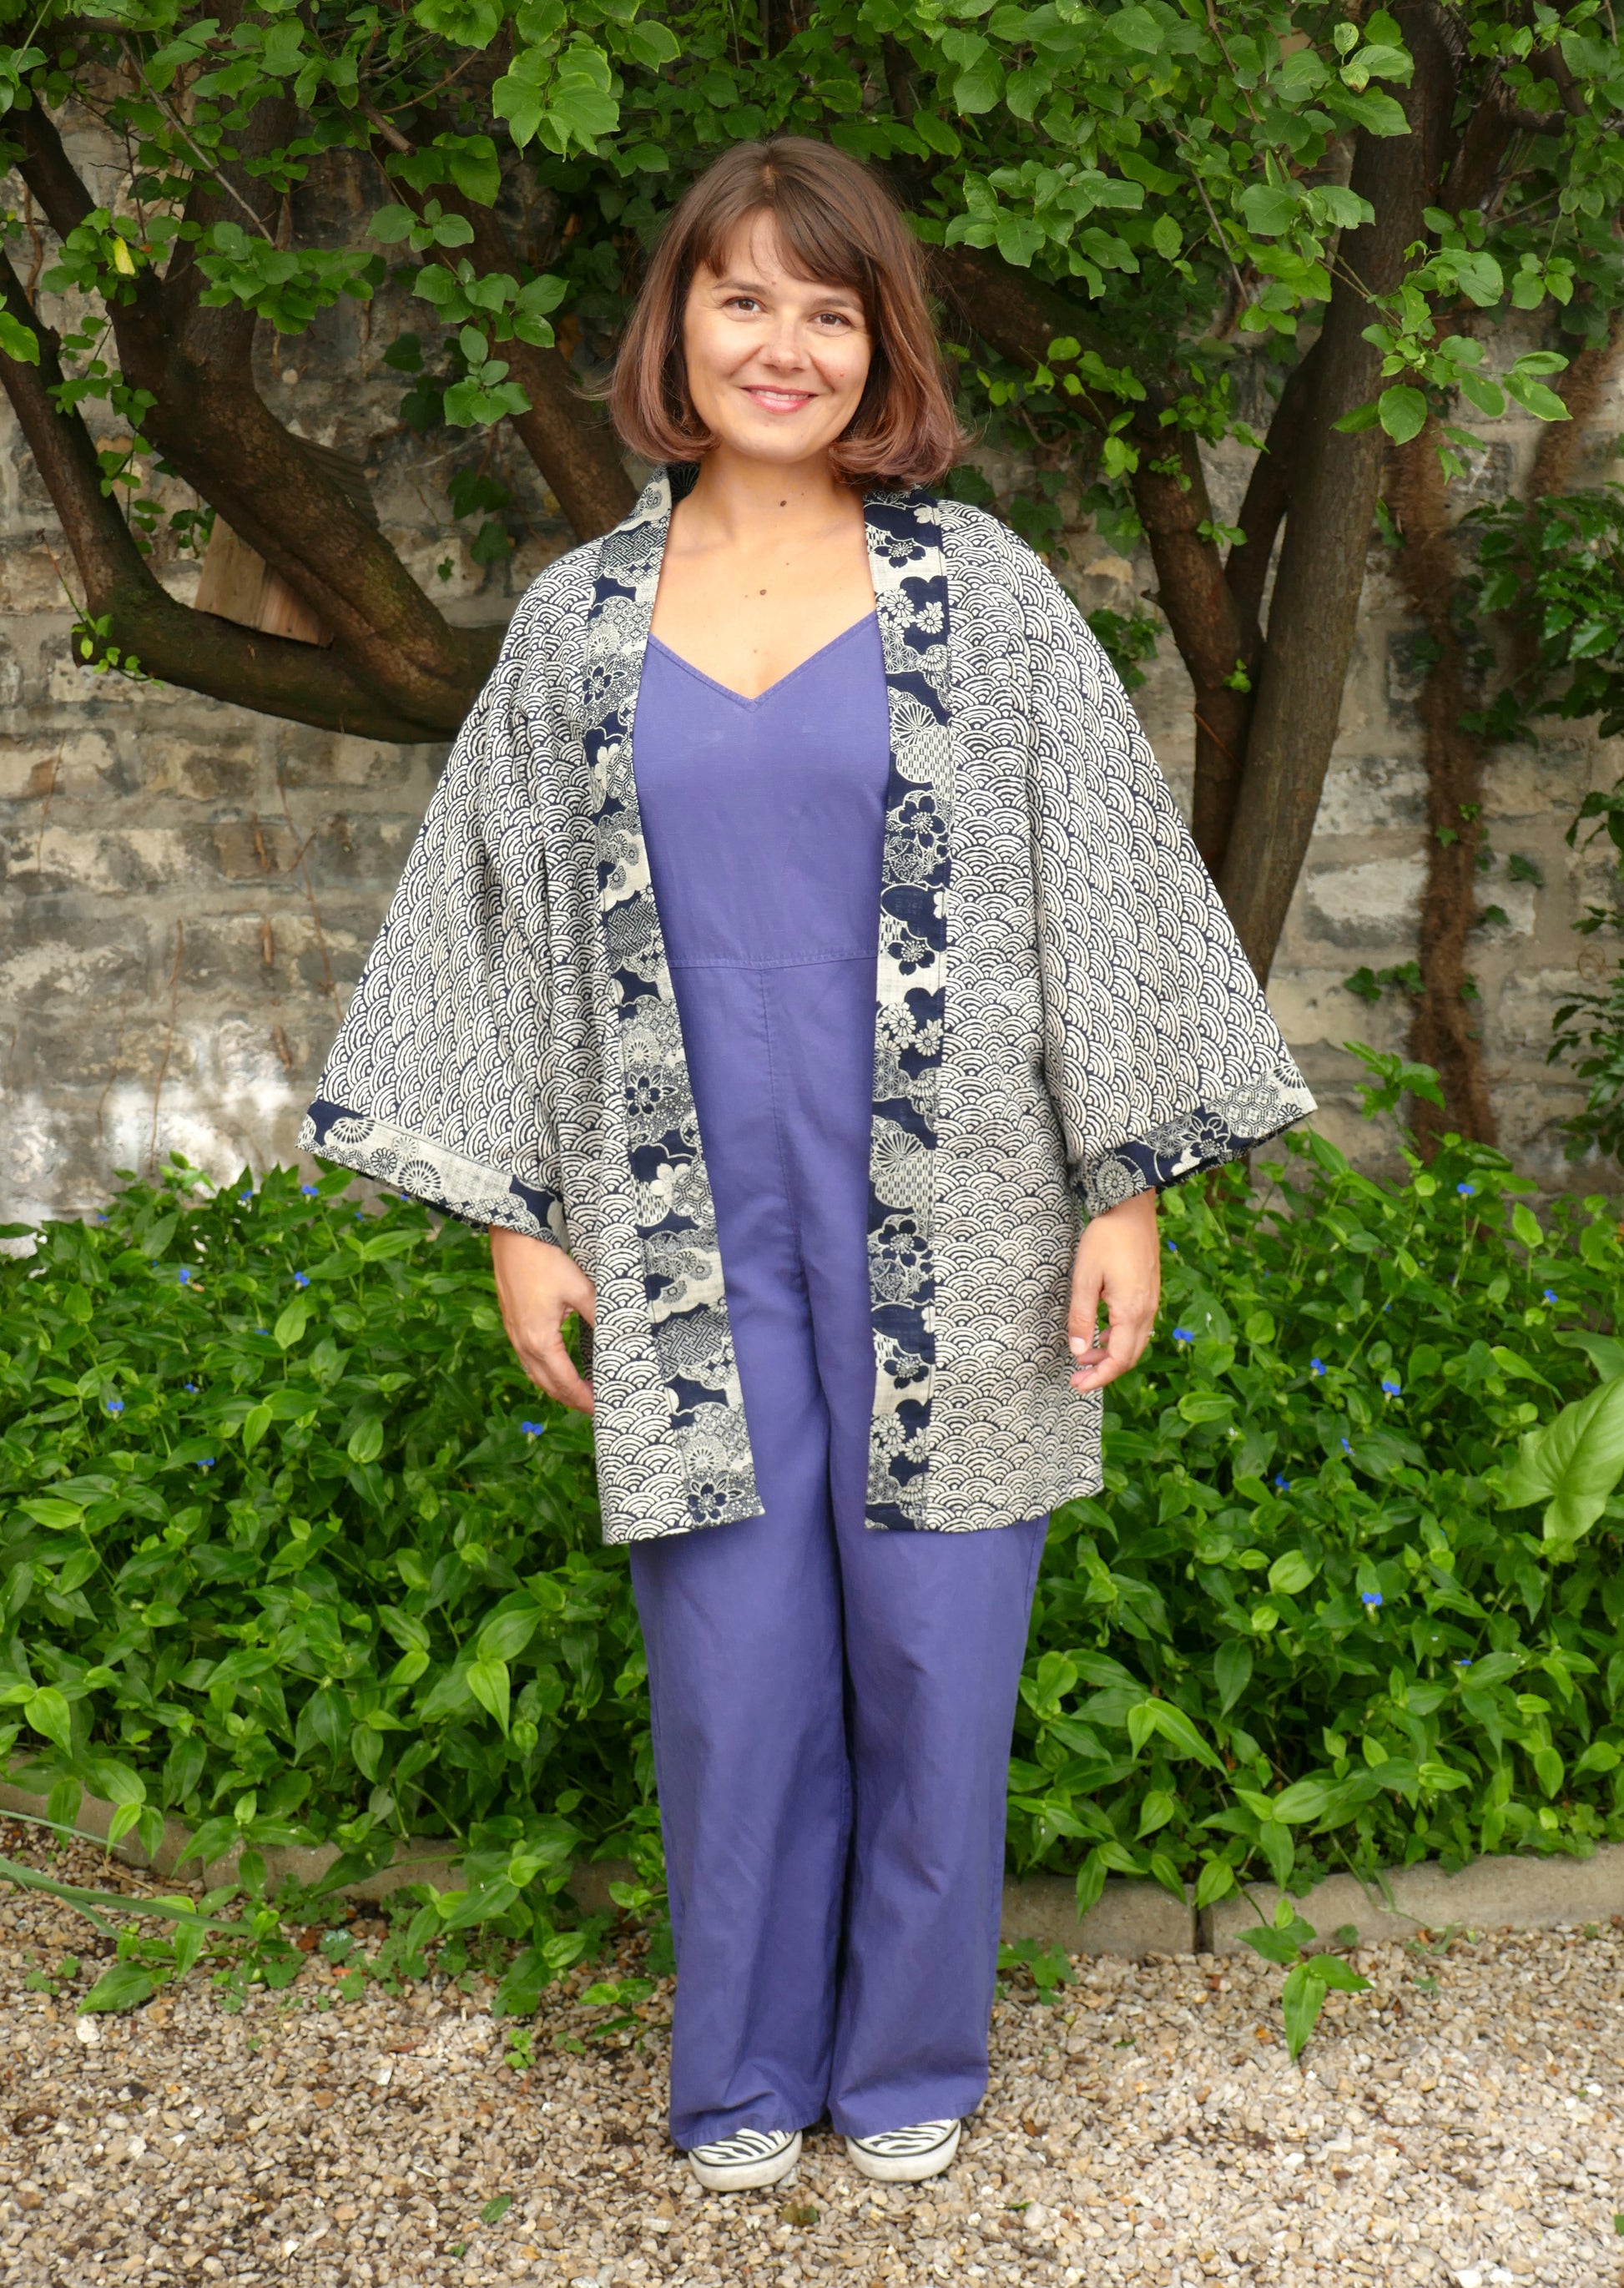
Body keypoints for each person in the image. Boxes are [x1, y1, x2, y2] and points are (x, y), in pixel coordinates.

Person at [301, 135, 1314, 2195]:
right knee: (734, 1664)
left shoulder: (985, 598)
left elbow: (1104, 888)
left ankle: (912, 2057)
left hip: (968, 1216)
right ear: (677, 322)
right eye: (742, 298)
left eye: (828, 310)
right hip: (686, 1228)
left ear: (882, 348)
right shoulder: (578, 625)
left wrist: (1124, 1185)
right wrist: (514, 1220)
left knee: (940, 1647)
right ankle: (746, 2073)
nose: (782, 344)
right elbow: (484, 922)